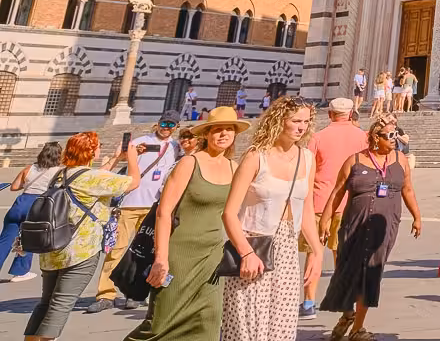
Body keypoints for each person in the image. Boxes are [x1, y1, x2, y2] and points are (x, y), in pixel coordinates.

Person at [129, 106, 244, 341]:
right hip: (179, 254)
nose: (223, 134)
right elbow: (164, 212)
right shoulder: (189, 163)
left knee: (207, 321)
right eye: (217, 129)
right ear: (206, 134)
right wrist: (161, 258)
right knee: (161, 323)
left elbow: (233, 212)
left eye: (229, 129)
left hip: (212, 255)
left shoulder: (234, 168)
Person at [220, 97, 324, 340]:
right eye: (296, 121)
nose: (302, 127)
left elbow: (306, 209)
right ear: (279, 121)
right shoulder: (256, 157)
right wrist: (245, 253)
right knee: (249, 328)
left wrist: (317, 252)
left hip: (287, 250)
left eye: (306, 122)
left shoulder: (306, 159)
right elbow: (229, 213)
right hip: (254, 246)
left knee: (283, 328)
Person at [24, 132, 142, 341]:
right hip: (80, 251)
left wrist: (115, 159)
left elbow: (93, 177)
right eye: (97, 147)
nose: (99, 150)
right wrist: (131, 157)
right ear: (91, 151)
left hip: (52, 247)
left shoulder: (61, 173)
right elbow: (132, 183)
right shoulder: (93, 178)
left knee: (46, 302)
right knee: (61, 303)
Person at [320, 115, 422, 341]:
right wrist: (325, 219)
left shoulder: (401, 159)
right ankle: (347, 313)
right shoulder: (354, 161)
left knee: (371, 273)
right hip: (354, 225)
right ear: (375, 138)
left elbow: (408, 190)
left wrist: (417, 216)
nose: (395, 139)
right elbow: (338, 192)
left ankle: (357, 328)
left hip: (383, 227)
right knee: (347, 272)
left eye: (396, 134)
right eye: (390, 135)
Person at [90, 116, 182, 313]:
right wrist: (128, 154)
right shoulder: (139, 142)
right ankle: (105, 293)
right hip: (131, 203)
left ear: (176, 127)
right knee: (116, 249)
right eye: (164, 123)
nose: (166, 128)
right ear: (157, 124)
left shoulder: (177, 147)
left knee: (146, 252)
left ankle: (135, 292)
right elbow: (123, 159)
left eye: (170, 125)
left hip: (155, 207)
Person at [300, 97, 369, 319]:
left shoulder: (317, 138)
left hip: (319, 203)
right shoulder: (363, 138)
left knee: (314, 253)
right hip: (349, 203)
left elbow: (306, 173)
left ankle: (309, 303)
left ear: (329, 114)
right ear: (351, 114)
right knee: (344, 254)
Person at [2, 142, 62, 282]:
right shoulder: (58, 171)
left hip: (20, 202)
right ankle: (20, 271)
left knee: (5, 239)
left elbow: (14, 186)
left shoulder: (30, 168)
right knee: (29, 238)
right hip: (37, 204)